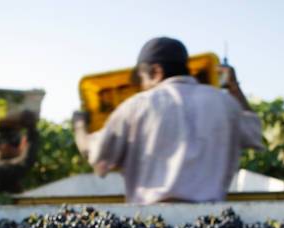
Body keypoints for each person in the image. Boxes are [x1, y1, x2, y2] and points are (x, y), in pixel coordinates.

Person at [72, 37, 263, 204]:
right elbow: (255, 133)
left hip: (152, 226)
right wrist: (234, 87)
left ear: (156, 72)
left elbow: (94, 152)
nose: (142, 87)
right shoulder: (225, 103)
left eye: (142, 79)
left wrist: (79, 125)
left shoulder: (137, 106)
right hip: (212, 224)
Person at [0, 110, 40, 194]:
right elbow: (25, 162)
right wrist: (31, 130)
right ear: (4, 146)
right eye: (17, 144)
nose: (21, 148)